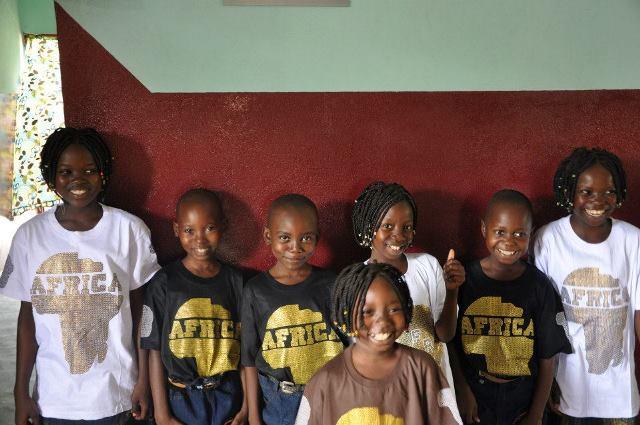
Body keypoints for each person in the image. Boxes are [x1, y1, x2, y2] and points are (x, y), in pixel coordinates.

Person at [0, 127, 160, 424]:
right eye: (66, 171)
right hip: (54, 400)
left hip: (117, 394)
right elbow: (27, 319)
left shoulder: (128, 230)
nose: (78, 179)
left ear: (103, 174)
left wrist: (143, 380)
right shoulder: (30, 236)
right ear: (51, 176)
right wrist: (20, 391)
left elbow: (141, 312)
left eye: (89, 170)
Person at [533, 148, 640, 424]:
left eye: (609, 192)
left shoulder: (633, 241)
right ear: (569, 192)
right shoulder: (548, 240)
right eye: (587, 191)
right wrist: (544, 382)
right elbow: (541, 317)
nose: (598, 201)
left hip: (619, 395)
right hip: (565, 390)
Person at [451, 189, 571, 425]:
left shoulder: (539, 286)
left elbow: (548, 358)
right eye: (500, 232)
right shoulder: (465, 279)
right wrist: (462, 390)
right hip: (476, 394)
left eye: (519, 234)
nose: (509, 241)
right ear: (484, 229)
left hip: (522, 398)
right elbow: (449, 342)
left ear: (531, 234)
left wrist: (536, 414)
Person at [295, 262, 462, 425]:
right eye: (367, 311)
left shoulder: (423, 368)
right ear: (346, 317)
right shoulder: (325, 381)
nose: (382, 322)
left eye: (394, 309)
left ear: (406, 311)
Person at [140, 189, 246, 425]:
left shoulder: (235, 281)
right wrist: (162, 413)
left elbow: (246, 349)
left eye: (209, 228)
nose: (200, 239)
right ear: (176, 229)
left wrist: (246, 407)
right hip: (180, 398)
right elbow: (153, 349)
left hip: (227, 394)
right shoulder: (164, 282)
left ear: (223, 226)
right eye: (189, 230)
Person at [241, 194, 344, 425]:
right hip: (280, 402)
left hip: (328, 396)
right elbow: (248, 358)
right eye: (285, 237)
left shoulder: (331, 284)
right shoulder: (255, 290)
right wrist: (254, 417)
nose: (295, 248)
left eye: (306, 238)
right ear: (268, 236)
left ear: (317, 237)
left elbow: (350, 346)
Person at [351, 181, 464, 387]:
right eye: (387, 226)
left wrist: (452, 291)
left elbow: (445, 335)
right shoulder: (357, 281)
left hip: (433, 386)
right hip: (389, 391)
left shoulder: (427, 265)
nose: (399, 235)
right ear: (369, 227)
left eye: (407, 227)